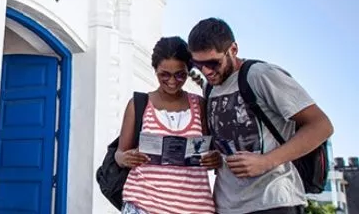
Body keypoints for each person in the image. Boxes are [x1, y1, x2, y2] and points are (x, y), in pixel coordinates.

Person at [188, 18, 334, 214]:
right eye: (198, 64)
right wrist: (214, 156)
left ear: (233, 49)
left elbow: (321, 126)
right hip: (226, 206)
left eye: (213, 63)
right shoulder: (209, 89)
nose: (206, 71)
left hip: (273, 201)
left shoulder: (261, 75)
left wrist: (266, 161)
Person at [117, 36, 219, 214]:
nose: (172, 81)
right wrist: (125, 158)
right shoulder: (139, 104)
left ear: (189, 71)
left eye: (180, 75)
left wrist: (214, 159)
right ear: (155, 69)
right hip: (143, 205)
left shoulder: (200, 106)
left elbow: (210, 154)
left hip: (194, 208)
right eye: (164, 74)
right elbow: (119, 153)